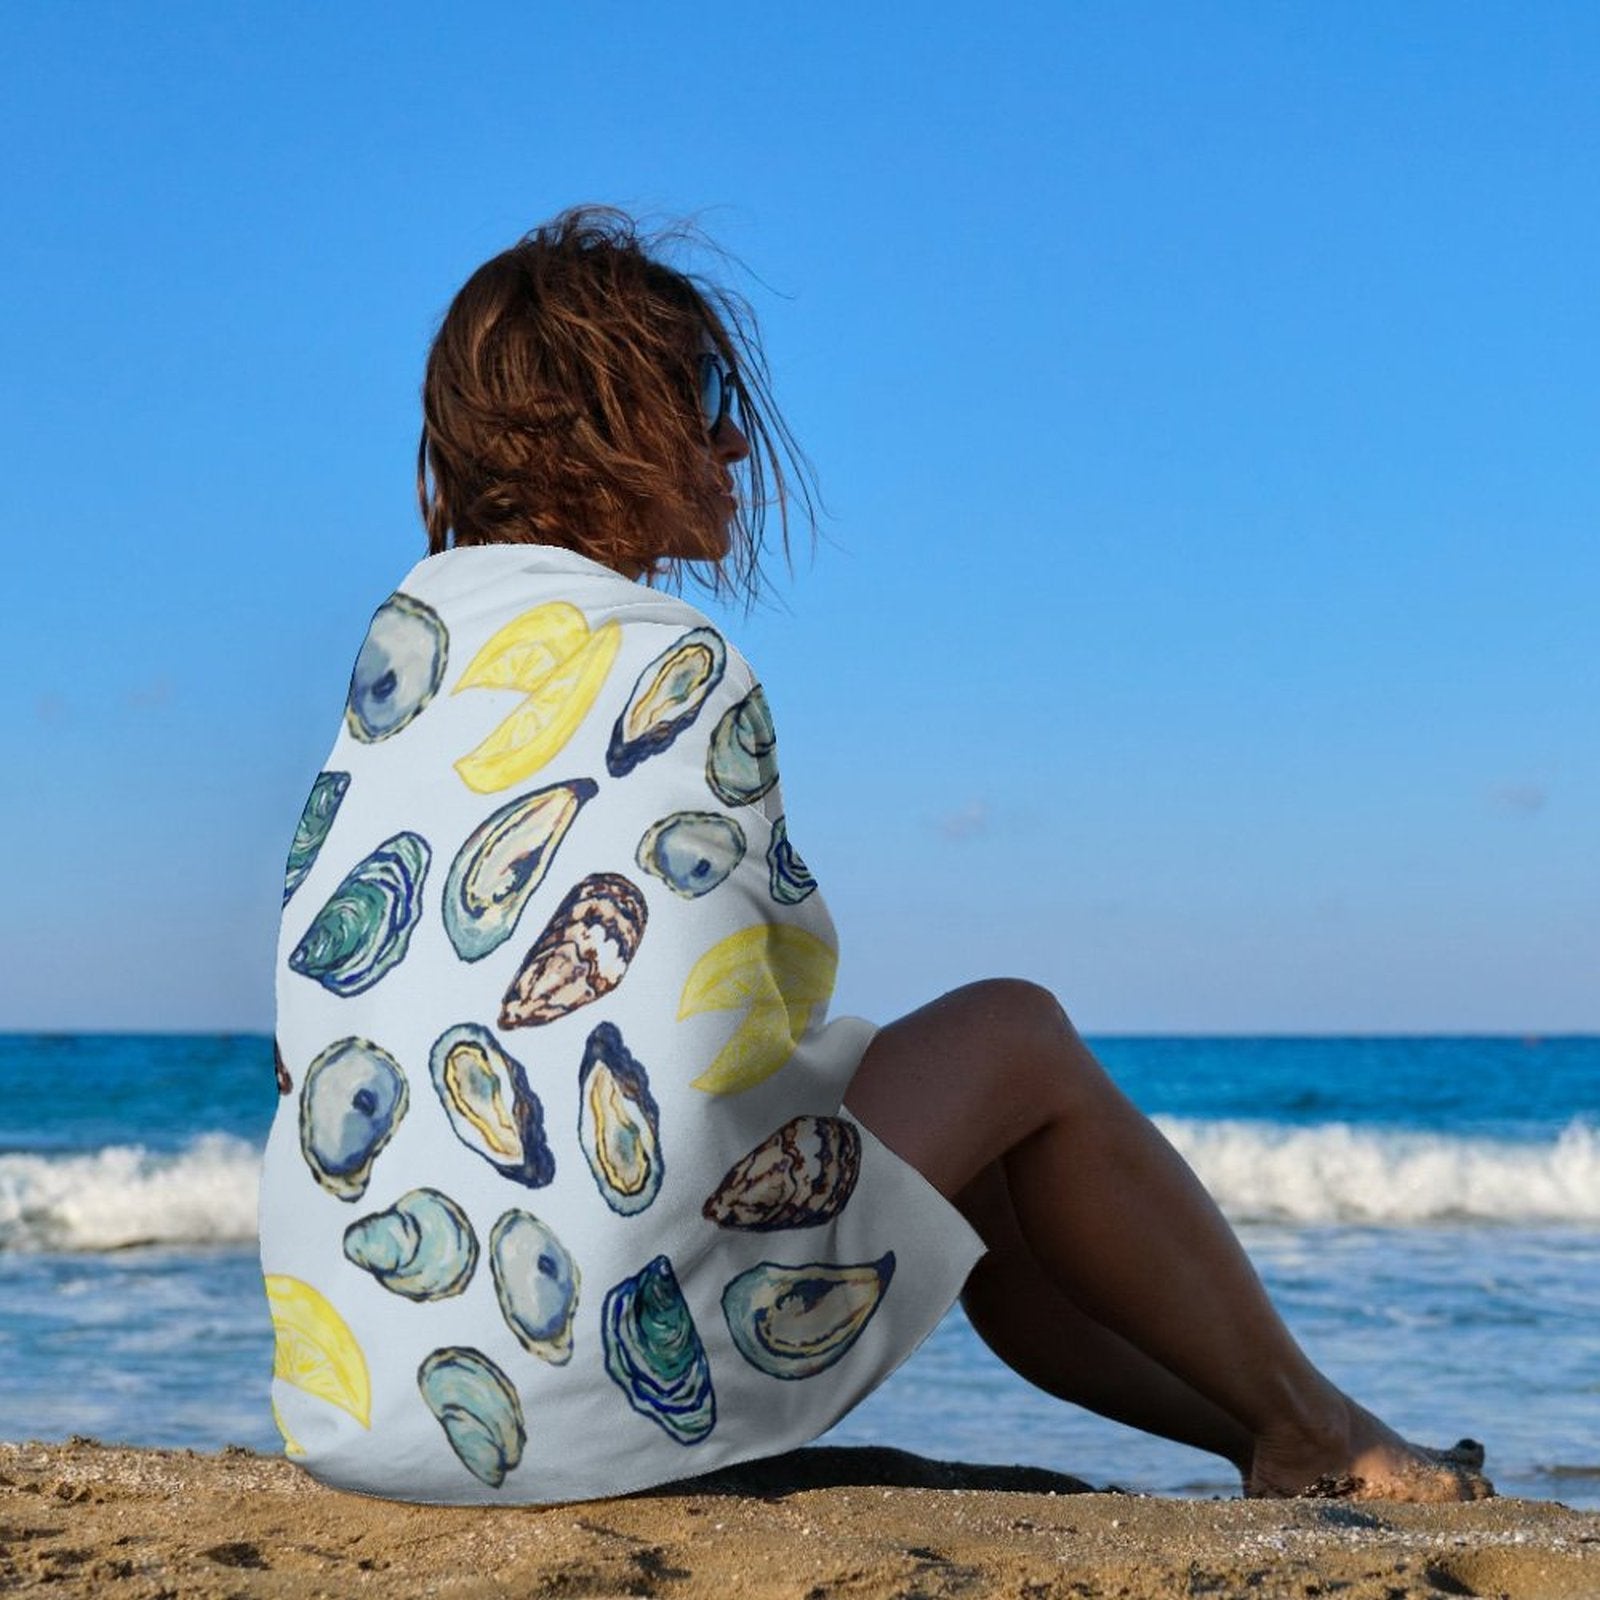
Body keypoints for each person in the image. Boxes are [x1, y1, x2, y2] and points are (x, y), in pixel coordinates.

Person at [259, 206, 1489, 1507]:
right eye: (705, 394)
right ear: (606, 421)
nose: (735, 438)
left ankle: (1299, 1432)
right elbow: (753, 999)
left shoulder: (398, 669)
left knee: (994, 1173)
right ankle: (1320, 1430)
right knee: (1017, 1040)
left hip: (368, 1407)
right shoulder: (672, 662)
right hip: (600, 1392)